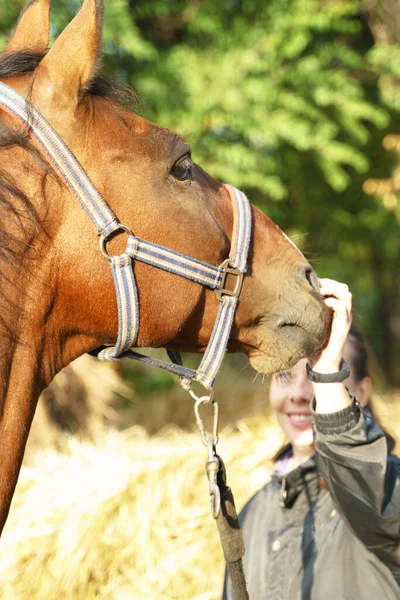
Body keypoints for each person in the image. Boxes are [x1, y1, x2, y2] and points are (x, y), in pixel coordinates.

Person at [223, 279, 400, 600]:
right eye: (285, 375)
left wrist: (328, 369)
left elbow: (365, 484)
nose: (301, 394)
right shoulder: (251, 514)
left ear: (361, 391)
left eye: (319, 373)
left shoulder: (387, 492)